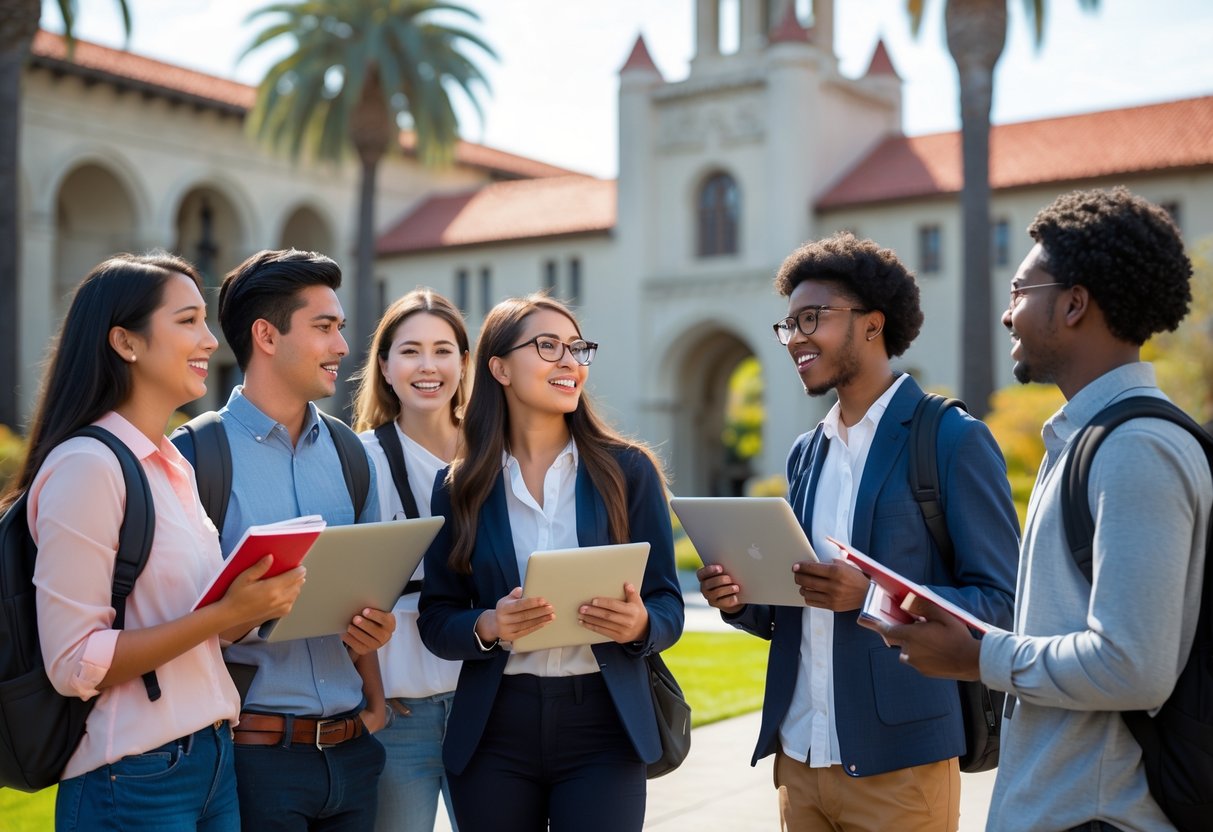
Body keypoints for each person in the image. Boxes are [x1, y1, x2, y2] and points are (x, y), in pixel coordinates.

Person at [870, 187, 1211, 832]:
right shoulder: (1089, 440)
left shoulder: (1135, 448)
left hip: (1099, 814)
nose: (1007, 316)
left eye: (1020, 293)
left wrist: (977, 658)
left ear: (1075, 303)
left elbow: (1132, 668)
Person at [697, 232, 1019, 831]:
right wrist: (738, 598)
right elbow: (791, 608)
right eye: (787, 325)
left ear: (871, 325)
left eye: (810, 319)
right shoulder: (804, 454)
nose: (793, 338)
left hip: (901, 764)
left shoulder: (951, 439)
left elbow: (1000, 606)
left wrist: (869, 598)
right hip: (799, 757)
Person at [13, 253, 304, 831]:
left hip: (212, 761)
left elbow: (193, 627)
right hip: (133, 776)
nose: (210, 340)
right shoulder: (87, 467)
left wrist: (250, 608)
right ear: (126, 341)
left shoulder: (171, 462)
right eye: (187, 320)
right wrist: (224, 612)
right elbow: (74, 663)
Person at [417, 294, 684, 832]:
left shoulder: (628, 472)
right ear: (499, 368)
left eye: (577, 348)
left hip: (603, 726)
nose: (569, 361)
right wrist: (488, 625)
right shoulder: (460, 486)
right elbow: (437, 617)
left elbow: (668, 605)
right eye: (548, 346)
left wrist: (639, 625)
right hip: (495, 728)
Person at [213, 249, 396, 831]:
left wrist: (375, 698)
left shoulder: (349, 453)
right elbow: (168, 620)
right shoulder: (194, 459)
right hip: (253, 761)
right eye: (325, 328)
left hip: (353, 754)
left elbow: (366, 593)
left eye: (340, 328)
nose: (343, 346)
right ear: (266, 335)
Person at [352, 288, 468, 832]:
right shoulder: (359, 461)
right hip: (399, 717)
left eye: (444, 350)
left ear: (465, 364)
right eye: (411, 350)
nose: (429, 366)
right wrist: (374, 702)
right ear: (385, 365)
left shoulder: (500, 454)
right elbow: (347, 599)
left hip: (491, 710)